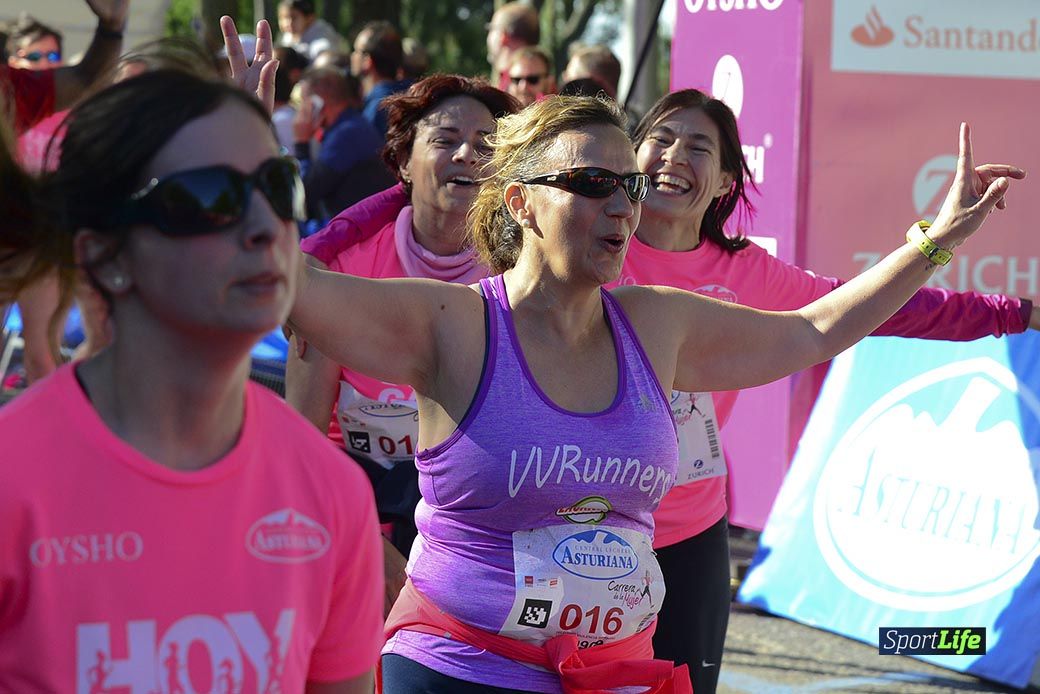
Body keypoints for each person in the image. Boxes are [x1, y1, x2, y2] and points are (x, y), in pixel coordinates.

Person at [286, 93, 1019, 692]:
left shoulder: (657, 322)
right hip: (462, 666)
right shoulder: (450, 322)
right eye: (591, 184)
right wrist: (251, 160)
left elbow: (817, 328)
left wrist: (937, 240)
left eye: (627, 186)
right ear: (520, 203)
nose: (621, 206)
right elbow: (293, 287)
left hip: (614, 672)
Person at [624, 88, 1038, 694]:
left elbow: (875, 309)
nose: (673, 156)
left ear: (724, 183)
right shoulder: (588, 251)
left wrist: (1012, 311)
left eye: (698, 147)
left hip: (690, 535)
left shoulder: (748, 275)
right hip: (582, 523)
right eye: (660, 138)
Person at [0, 68, 382, 692]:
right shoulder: (11, 478)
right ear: (103, 256)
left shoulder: (330, 489)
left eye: (277, 185)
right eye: (212, 198)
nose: (264, 227)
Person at [286, 74, 518, 613]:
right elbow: (300, 440)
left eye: (486, 145)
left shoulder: (520, 279)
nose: (467, 154)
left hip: (474, 528)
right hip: (353, 506)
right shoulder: (342, 265)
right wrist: (362, 536)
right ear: (404, 163)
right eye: (444, 139)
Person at [1, 0, 128, 134]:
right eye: (34, 57)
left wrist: (111, 30)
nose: (45, 64)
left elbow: (87, 82)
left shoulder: (12, 91)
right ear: (12, 61)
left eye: (52, 57)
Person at [292, 67, 391, 221]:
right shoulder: (350, 125)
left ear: (317, 103)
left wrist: (301, 143)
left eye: (303, 102)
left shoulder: (347, 134)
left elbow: (304, 193)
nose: (300, 110)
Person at [351, 20, 410, 138]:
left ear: (367, 61)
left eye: (356, 50)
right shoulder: (410, 98)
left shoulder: (375, 111)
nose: (352, 56)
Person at [486, 1, 539, 91]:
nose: (488, 37)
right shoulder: (543, 80)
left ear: (503, 36)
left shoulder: (512, 87)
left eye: (491, 29)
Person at [276, 0, 344, 60]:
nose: (287, 23)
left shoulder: (322, 38)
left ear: (310, 18)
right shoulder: (288, 34)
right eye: (283, 17)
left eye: (294, 18)